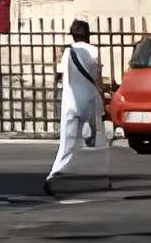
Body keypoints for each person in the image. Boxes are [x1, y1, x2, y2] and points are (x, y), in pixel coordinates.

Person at [43, 19, 114, 197]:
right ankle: (99, 177)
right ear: (87, 34)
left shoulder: (67, 53)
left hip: (70, 103)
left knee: (66, 145)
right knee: (96, 141)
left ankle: (54, 175)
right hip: (89, 102)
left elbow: (60, 76)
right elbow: (97, 80)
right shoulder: (94, 51)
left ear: (73, 35)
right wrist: (104, 102)